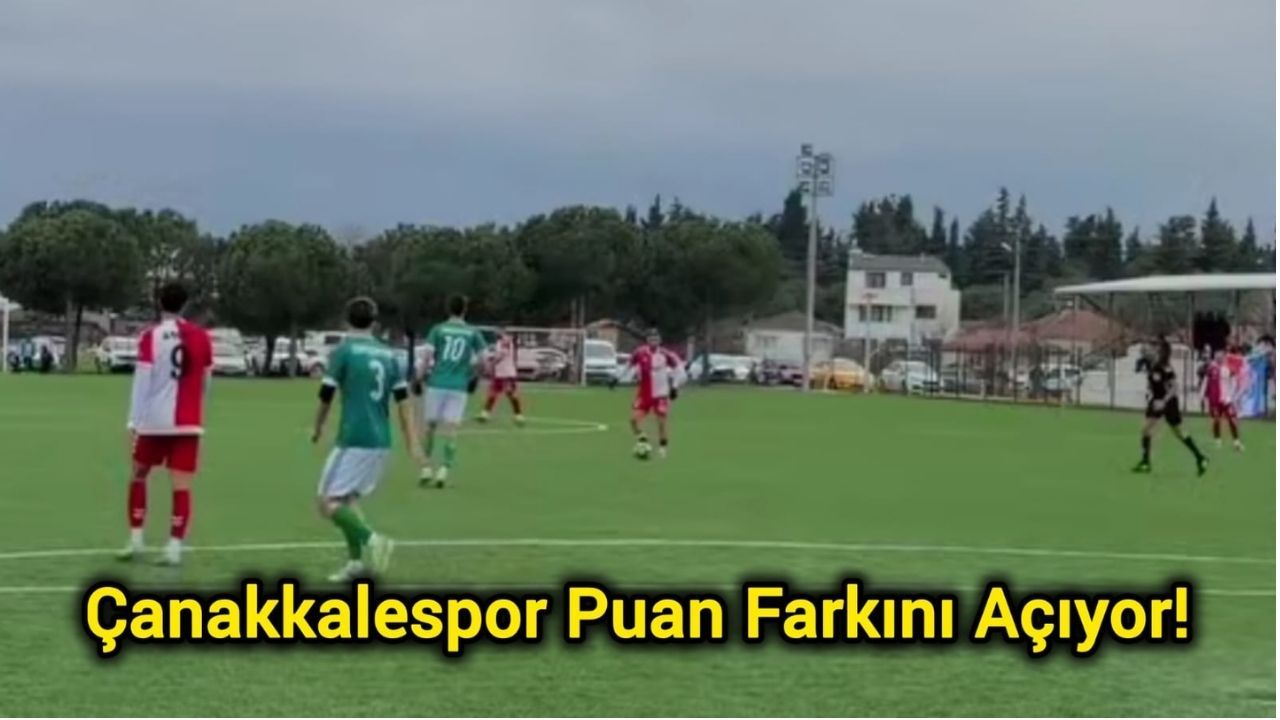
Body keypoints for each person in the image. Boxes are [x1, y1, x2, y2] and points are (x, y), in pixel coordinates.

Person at [311, 297, 421, 582]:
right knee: (346, 500)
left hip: (354, 438)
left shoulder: (344, 352)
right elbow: (404, 402)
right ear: (374, 323)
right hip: (380, 440)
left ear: (346, 320)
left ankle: (373, 540)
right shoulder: (389, 355)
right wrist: (412, 441)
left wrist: (318, 427)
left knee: (327, 502)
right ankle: (355, 563)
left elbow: (326, 396)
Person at [119, 282, 213, 565]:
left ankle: (136, 539)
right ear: (185, 305)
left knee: (139, 474)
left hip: (154, 421)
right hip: (188, 422)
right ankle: (174, 547)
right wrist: (196, 407)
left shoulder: (151, 336)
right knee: (181, 485)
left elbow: (142, 381)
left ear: (160, 303)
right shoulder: (201, 337)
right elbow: (206, 380)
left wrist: (133, 421)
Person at [416, 295, 486, 487]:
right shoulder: (473, 332)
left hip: (436, 383)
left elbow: (427, 357)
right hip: (458, 386)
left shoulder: (438, 329)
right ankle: (444, 470)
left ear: (448, 309)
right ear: (465, 310)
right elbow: (484, 361)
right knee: (451, 429)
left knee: (430, 426)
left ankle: (426, 468)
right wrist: (474, 377)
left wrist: (419, 378)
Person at [1134, 338, 1207, 476]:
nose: (1150, 349)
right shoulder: (1153, 365)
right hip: (1157, 400)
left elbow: (1174, 387)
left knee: (1148, 429)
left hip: (1167, 402)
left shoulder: (1165, 367)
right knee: (1176, 432)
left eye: (1154, 347)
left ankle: (1145, 463)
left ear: (1160, 351)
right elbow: (1154, 383)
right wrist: (1150, 393)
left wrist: (1163, 401)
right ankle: (1200, 458)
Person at [622, 329, 685, 459]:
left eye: (656, 339)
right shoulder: (639, 352)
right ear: (647, 340)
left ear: (660, 340)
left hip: (660, 394)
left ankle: (662, 448)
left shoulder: (666, 354)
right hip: (644, 394)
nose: (653, 341)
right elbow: (628, 365)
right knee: (633, 420)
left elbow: (680, 370)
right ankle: (642, 438)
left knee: (661, 423)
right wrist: (616, 378)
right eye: (651, 339)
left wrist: (674, 388)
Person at [478, 328, 524, 425]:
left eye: (500, 332)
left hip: (508, 373)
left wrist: (491, 364)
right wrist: (491, 360)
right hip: (499, 373)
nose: (497, 334)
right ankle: (485, 414)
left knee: (511, 394)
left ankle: (518, 415)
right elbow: (497, 355)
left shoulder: (506, 342)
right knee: (493, 393)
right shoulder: (499, 343)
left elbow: (501, 355)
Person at [1200, 347, 1243, 451]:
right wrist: (1201, 395)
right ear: (1215, 356)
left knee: (1232, 420)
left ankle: (1236, 442)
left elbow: (1234, 382)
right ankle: (1218, 441)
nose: (1219, 356)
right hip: (1215, 400)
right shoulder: (1211, 369)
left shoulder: (1228, 368)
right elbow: (1205, 382)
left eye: (1221, 354)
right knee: (1216, 420)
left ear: (1224, 356)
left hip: (1226, 400)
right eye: (1217, 354)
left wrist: (1231, 396)